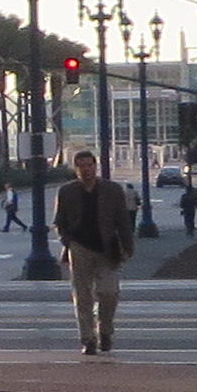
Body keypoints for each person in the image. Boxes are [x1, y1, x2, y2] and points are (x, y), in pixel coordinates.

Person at [54, 149, 137, 356]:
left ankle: (105, 331)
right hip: (79, 247)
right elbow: (60, 220)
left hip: (107, 247)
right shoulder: (67, 191)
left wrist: (128, 246)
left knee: (109, 292)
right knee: (82, 296)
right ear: (76, 169)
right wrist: (67, 240)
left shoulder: (112, 190)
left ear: (95, 167)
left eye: (89, 165)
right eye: (81, 166)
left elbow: (123, 220)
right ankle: (88, 338)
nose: (86, 170)